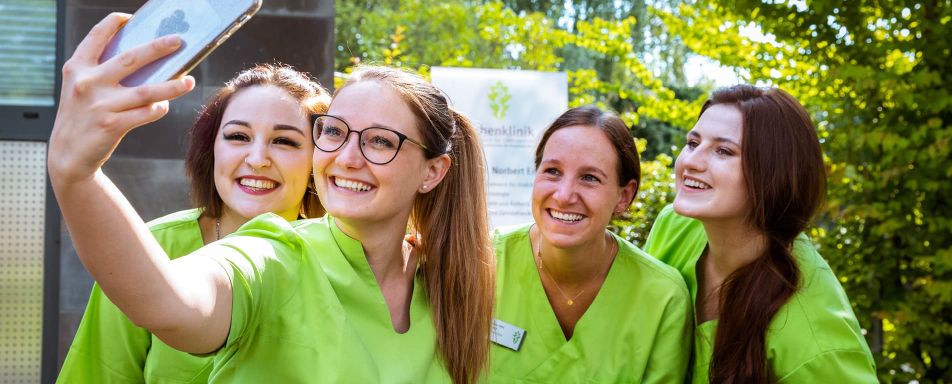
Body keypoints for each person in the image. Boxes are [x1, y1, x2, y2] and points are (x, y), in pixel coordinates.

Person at [48, 13, 493, 383]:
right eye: (335, 133)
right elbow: (171, 303)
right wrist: (77, 174)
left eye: (380, 141)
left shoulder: (450, 276)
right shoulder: (276, 252)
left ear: (433, 171)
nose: (348, 157)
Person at [57, 63, 330, 383]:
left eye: (284, 141)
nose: (257, 159)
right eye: (238, 136)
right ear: (211, 150)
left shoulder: (339, 260)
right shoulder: (148, 247)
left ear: (319, 159)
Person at [644, 85, 878, 383]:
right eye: (692, 143)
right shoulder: (675, 226)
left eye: (723, 151)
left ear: (772, 174)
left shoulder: (815, 342)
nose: (691, 161)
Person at [488, 106, 692, 382]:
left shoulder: (663, 298)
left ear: (624, 196)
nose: (563, 195)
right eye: (552, 171)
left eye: (589, 178)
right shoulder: (482, 262)